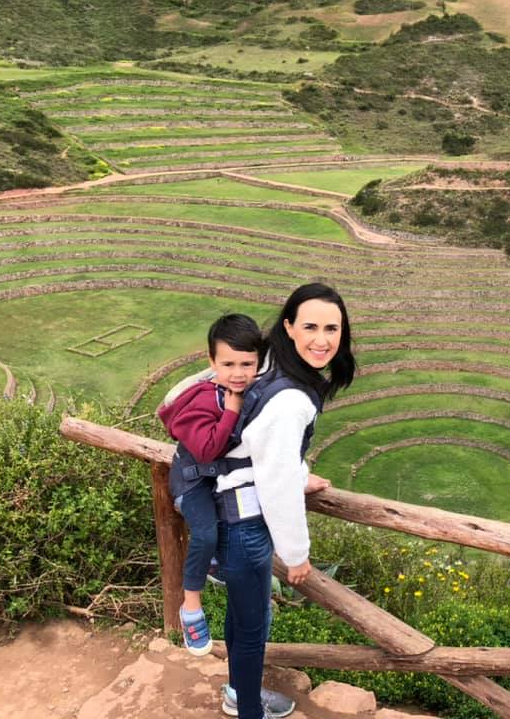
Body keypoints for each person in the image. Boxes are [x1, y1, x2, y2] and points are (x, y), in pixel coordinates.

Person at [214, 283, 355, 719]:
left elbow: (263, 449)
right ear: (289, 326)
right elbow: (274, 481)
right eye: (310, 326)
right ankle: (248, 710)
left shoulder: (270, 364)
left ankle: (239, 694)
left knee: (241, 618)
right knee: (254, 628)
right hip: (246, 527)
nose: (322, 339)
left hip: (224, 512)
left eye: (332, 328)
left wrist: (301, 474)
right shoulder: (292, 399)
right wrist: (296, 556)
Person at [158, 313, 264, 657]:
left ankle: (216, 563)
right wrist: (232, 409)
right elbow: (206, 449)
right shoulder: (203, 399)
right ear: (212, 363)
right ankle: (190, 607)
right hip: (192, 484)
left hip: (218, 480)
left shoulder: (250, 388)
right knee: (204, 533)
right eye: (228, 364)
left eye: (247, 364)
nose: (238, 373)